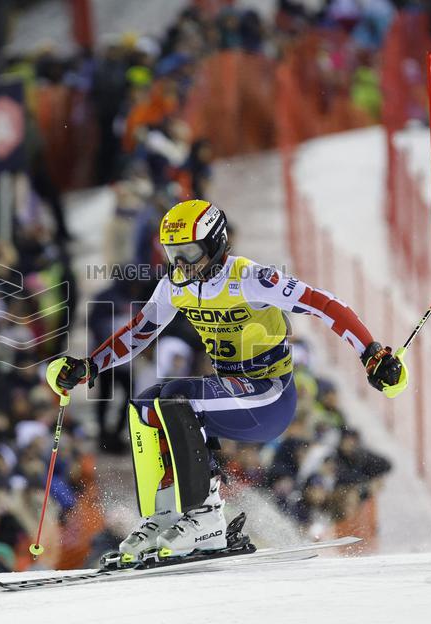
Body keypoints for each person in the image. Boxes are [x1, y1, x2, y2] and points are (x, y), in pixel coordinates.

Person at [47, 199, 407, 561]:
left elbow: (323, 303)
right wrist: (90, 366)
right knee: (144, 406)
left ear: (215, 243)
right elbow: (139, 332)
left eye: (189, 252)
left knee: (177, 396)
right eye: (173, 254)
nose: (181, 264)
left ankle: (206, 517)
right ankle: (165, 513)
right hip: (232, 393)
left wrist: (371, 352)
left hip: (268, 396)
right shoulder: (176, 284)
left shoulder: (250, 279)